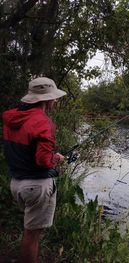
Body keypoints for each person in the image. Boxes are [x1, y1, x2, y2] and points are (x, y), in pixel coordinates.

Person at [2, 77, 66, 263]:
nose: (55, 100)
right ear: (45, 99)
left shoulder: (11, 118)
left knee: (29, 231)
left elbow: (22, 151)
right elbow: (43, 161)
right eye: (53, 97)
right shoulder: (43, 123)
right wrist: (57, 159)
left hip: (16, 183)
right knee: (32, 237)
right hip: (36, 186)